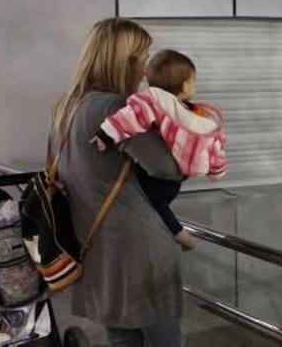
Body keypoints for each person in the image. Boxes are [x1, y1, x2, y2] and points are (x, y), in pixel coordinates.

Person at [49, 18, 188, 347]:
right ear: (123, 60)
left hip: (98, 247)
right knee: (163, 339)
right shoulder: (114, 107)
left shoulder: (64, 108)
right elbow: (167, 167)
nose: (144, 70)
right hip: (141, 253)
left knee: (122, 339)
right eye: (142, 58)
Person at [92, 49, 226, 250]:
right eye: (193, 80)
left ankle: (179, 234)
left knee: (156, 205)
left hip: (158, 179)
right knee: (159, 206)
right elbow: (215, 147)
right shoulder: (200, 116)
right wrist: (216, 171)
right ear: (184, 85)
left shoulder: (154, 101)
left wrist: (105, 134)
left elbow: (130, 117)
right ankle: (177, 234)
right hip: (178, 180)